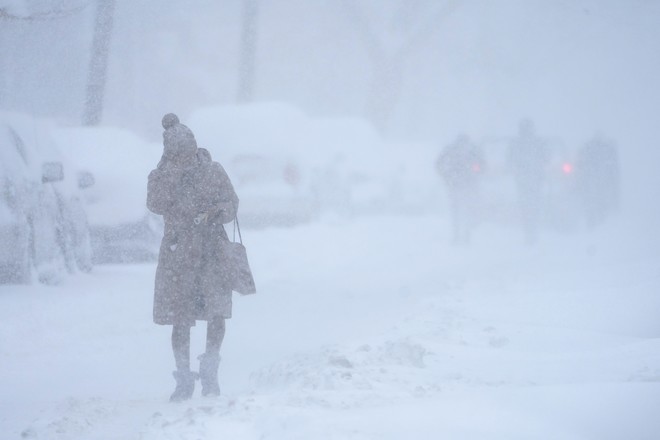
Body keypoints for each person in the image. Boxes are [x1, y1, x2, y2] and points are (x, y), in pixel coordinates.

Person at [147, 113, 239, 401]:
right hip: (178, 255)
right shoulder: (161, 175)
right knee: (179, 318)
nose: (182, 160)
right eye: (176, 155)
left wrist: (215, 213)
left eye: (185, 153)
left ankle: (210, 371)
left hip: (212, 252)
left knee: (216, 312)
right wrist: (170, 174)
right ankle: (183, 377)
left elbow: (231, 203)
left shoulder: (213, 171)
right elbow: (155, 204)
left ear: (193, 148)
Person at [435, 134, 484, 244]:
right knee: (465, 211)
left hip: (454, 184)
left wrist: (445, 176)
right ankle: (465, 236)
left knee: (456, 212)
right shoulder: (472, 151)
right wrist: (475, 173)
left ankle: (457, 236)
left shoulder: (451, 150)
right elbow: (481, 166)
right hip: (466, 185)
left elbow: (438, 163)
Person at [507, 118, 549, 245]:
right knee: (533, 205)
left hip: (523, 180)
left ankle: (529, 231)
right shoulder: (539, 143)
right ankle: (532, 231)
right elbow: (547, 158)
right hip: (534, 179)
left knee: (526, 205)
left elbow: (509, 160)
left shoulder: (516, 143)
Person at [575, 134, 620, 229]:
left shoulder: (589, 151)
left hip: (592, 182)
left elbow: (581, 164)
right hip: (596, 182)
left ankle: (594, 222)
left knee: (592, 200)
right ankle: (597, 222)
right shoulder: (605, 154)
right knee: (596, 200)